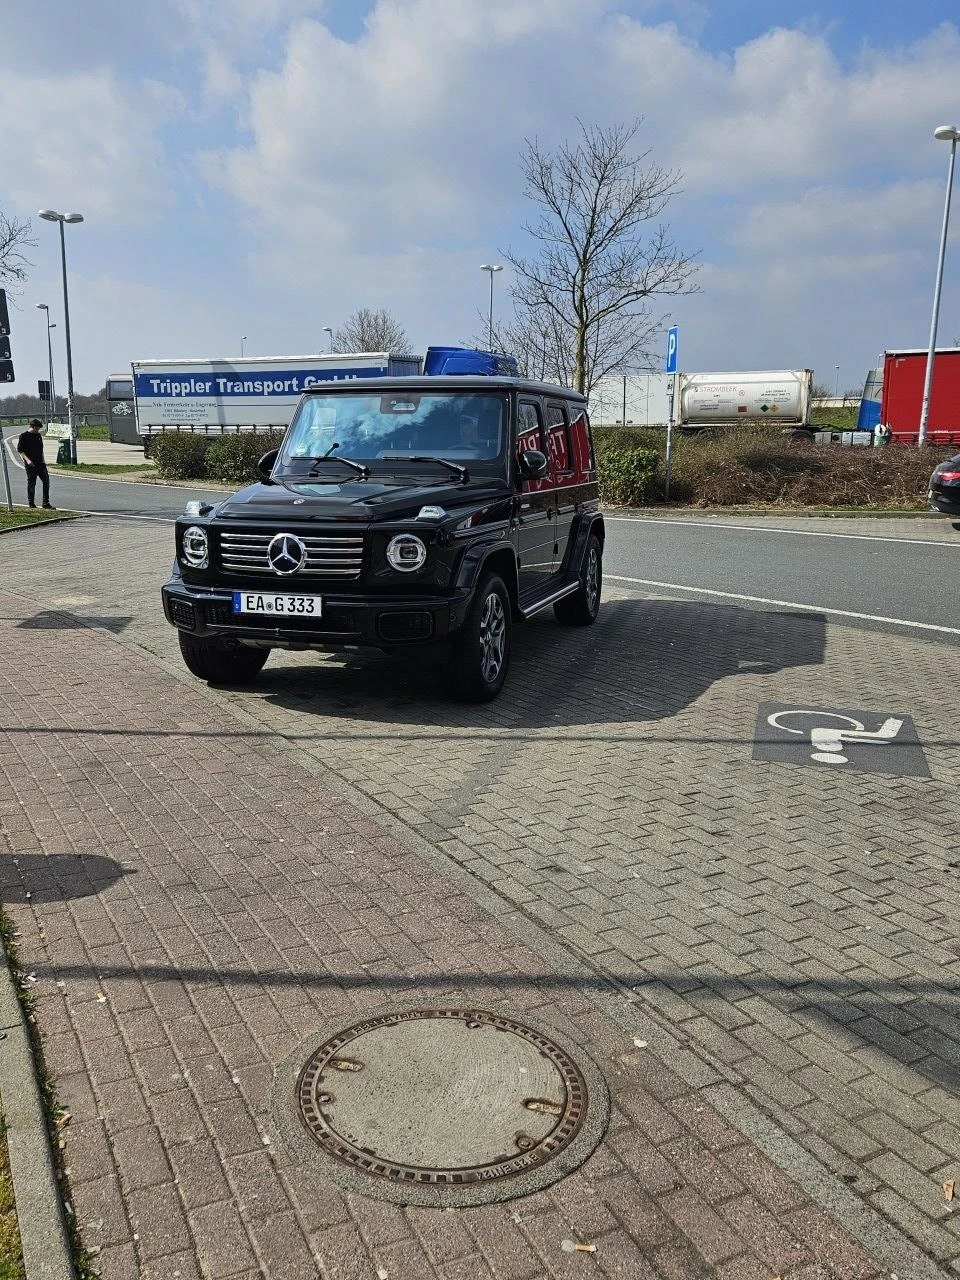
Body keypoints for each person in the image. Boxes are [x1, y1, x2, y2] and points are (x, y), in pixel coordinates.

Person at [16, 419, 54, 508]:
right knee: (32, 483)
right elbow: (20, 450)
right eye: (37, 429)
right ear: (32, 427)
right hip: (30, 464)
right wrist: (27, 460)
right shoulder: (24, 436)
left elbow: (41, 449)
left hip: (40, 463)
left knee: (46, 481)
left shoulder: (38, 435)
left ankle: (45, 503)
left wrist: (43, 460)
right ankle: (31, 503)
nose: (38, 431)